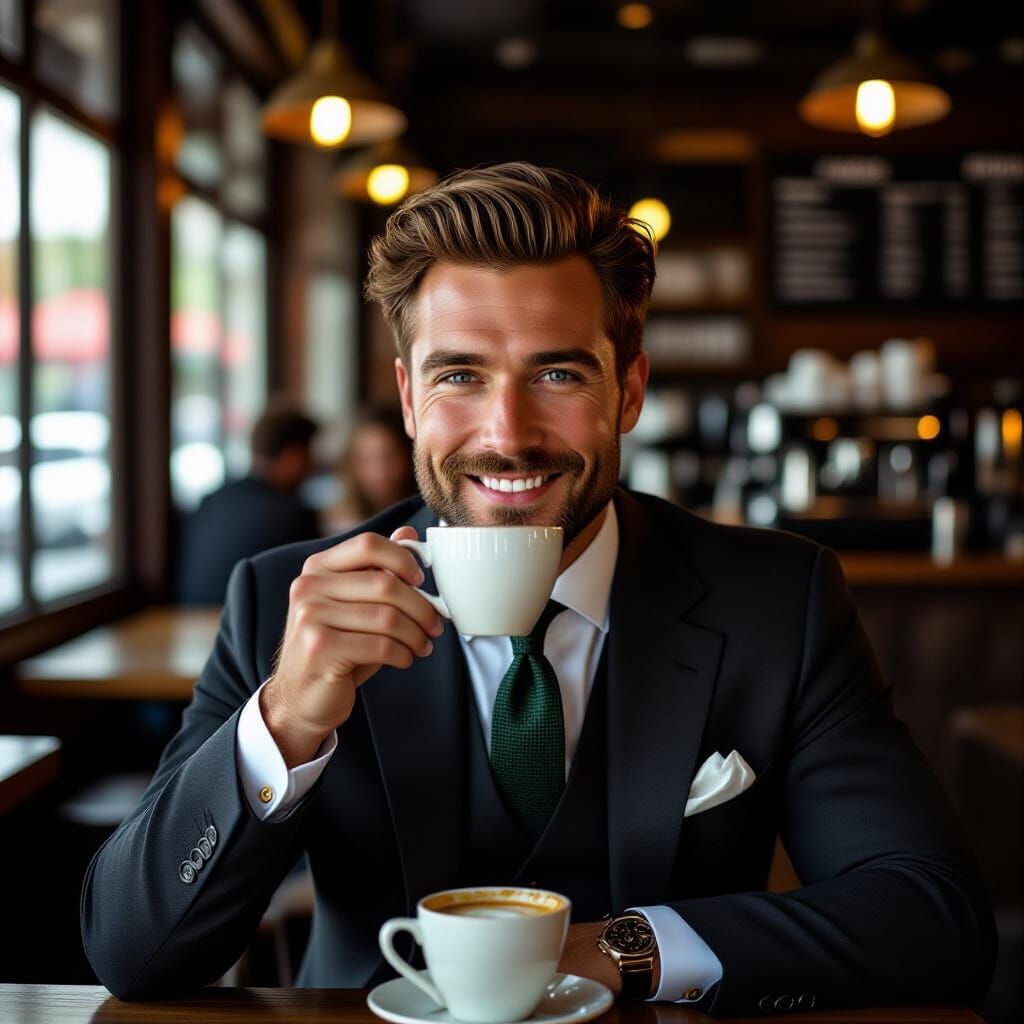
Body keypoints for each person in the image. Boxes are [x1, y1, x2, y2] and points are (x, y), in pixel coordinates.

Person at [82, 164, 995, 1015]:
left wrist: (617, 950)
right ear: (408, 400)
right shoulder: (287, 598)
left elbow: (932, 917)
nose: (507, 433)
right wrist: (283, 718)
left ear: (628, 389)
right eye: (460, 376)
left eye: (557, 373)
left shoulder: (775, 602)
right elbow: (134, 954)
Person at [174, 404, 319, 604]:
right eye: (310, 456)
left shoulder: (210, 501)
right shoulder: (293, 514)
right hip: (249, 632)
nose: (313, 466)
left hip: (186, 624)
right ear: (292, 457)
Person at [322, 404, 417, 534]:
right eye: (365, 460)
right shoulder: (339, 522)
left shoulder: (427, 516)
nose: (379, 472)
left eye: (389, 457)